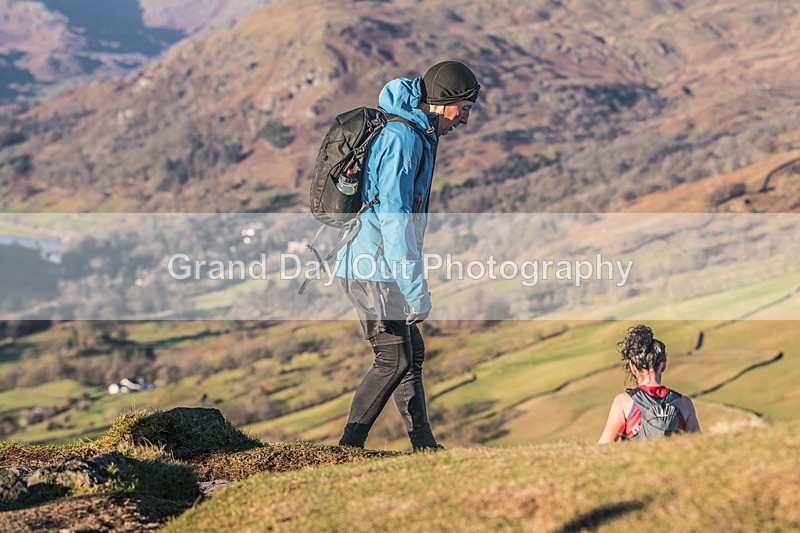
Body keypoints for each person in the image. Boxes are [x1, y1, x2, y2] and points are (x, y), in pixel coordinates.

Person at [335, 61, 480, 450]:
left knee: (410, 353)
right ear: (441, 104)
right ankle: (348, 448)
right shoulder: (404, 138)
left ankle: (425, 446)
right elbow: (395, 220)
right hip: (372, 267)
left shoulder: (415, 133)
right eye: (463, 109)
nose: (465, 120)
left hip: (377, 264)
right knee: (393, 358)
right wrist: (416, 291)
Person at [598, 325, 700, 443]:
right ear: (663, 365)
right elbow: (699, 447)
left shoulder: (624, 402)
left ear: (633, 367)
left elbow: (604, 446)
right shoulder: (684, 403)